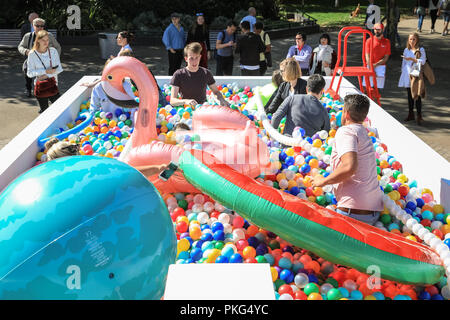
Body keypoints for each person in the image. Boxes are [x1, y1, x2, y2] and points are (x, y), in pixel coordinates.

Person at [311, 94, 383, 226]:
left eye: (343, 110)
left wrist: (323, 181)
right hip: (373, 213)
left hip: (352, 213)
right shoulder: (363, 132)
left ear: (347, 114)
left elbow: (349, 166)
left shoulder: (346, 131)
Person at [170, 42, 230, 107]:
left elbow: (216, 92)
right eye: (191, 58)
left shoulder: (206, 73)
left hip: (203, 108)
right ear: (186, 59)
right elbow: (172, 101)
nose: (194, 61)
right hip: (186, 111)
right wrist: (186, 101)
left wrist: (221, 99)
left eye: (197, 58)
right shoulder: (178, 74)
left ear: (200, 57)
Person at [18, 17, 61, 98]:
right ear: (33, 26)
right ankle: (28, 89)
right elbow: (20, 46)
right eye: (37, 26)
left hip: (47, 61)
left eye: (41, 26)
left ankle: (52, 94)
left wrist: (55, 59)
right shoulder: (28, 36)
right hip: (33, 60)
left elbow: (58, 47)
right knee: (26, 69)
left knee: (48, 78)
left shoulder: (49, 35)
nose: (39, 28)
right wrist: (26, 51)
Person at [26, 29, 63, 114]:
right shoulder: (32, 54)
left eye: (47, 40)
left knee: (59, 109)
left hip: (53, 85)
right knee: (44, 112)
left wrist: (46, 75)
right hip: (40, 87)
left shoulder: (53, 51)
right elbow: (29, 73)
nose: (46, 42)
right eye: (43, 40)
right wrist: (45, 71)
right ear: (38, 40)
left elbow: (59, 69)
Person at [398, 32, 427, 125]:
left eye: (414, 39)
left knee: (417, 95)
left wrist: (412, 59)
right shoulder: (406, 49)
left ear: (417, 40)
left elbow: (423, 61)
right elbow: (403, 62)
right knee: (409, 95)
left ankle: (419, 116)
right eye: (410, 39)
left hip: (416, 75)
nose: (412, 41)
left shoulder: (420, 49)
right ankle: (411, 114)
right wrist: (402, 72)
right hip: (407, 74)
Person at [363, 22, 391, 90]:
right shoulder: (369, 41)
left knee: (377, 90)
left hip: (380, 67)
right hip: (369, 66)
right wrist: (372, 68)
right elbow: (367, 57)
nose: (376, 31)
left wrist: (376, 64)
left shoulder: (386, 42)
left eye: (378, 29)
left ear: (382, 30)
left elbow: (386, 57)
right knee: (366, 88)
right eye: (375, 29)